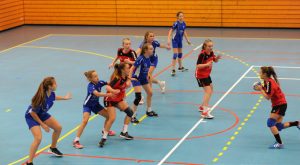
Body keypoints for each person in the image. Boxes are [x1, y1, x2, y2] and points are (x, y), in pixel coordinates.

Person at [25, 77, 71, 165]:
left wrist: (64, 98)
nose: (56, 85)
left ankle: (53, 148)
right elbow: (32, 113)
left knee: (58, 128)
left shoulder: (51, 93)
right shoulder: (40, 98)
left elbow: (53, 97)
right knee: (38, 138)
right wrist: (43, 125)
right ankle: (29, 162)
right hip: (31, 116)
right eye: (55, 83)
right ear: (50, 86)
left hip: (41, 113)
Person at [256, 66, 300, 149]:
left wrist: (261, 89)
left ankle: (280, 144)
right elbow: (267, 91)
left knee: (270, 123)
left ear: (265, 74)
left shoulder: (269, 82)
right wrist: (260, 88)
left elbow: (267, 97)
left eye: (260, 72)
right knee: (278, 126)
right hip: (281, 104)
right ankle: (297, 123)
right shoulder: (267, 82)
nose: (259, 73)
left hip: (279, 104)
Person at [72, 70, 115, 149]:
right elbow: (97, 94)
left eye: (97, 75)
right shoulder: (90, 86)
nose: (97, 77)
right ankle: (76, 141)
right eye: (95, 76)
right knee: (85, 121)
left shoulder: (100, 82)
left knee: (109, 116)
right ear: (90, 79)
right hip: (88, 105)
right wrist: (109, 94)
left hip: (96, 105)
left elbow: (110, 83)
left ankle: (105, 130)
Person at [99, 63, 135, 147]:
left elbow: (126, 84)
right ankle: (104, 138)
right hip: (110, 100)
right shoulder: (116, 78)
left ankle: (124, 132)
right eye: (127, 68)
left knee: (130, 112)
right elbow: (107, 87)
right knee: (112, 118)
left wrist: (128, 82)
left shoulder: (125, 77)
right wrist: (114, 91)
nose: (129, 69)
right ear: (122, 70)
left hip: (118, 99)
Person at [195, 39, 221, 119]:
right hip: (200, 75)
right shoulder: (202, 54)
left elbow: (214, 61)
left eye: (212, 46)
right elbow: (198, 66)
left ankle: (202, 107)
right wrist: (206, 65)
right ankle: (204, 113)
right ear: (205, 46)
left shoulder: (211, 53)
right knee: (208, 91)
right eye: (209, 46)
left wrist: (217, 58)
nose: (211, 47)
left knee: (211, 89)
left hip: (206, 74)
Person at [168, 11, 192, 76]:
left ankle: (180, 67)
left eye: (182, 16)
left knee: (180, 54)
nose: (181, 17)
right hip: (175, 40)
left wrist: (187, 40)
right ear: (177, 17)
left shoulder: (184, 24)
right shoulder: (176, 24)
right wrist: (168, 40)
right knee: (175, 54)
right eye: (180, 16)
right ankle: (173, 69)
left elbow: (184, 32)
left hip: (180, 41)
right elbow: (171, 31)